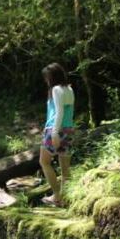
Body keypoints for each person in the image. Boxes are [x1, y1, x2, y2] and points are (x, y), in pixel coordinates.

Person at [39, 63, 75, 207]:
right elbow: (68, 113)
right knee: (65, 169)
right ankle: (66, 199)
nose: (46, 80)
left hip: (55, 130)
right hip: (68, 130)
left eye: (47, 77)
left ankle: (56, 196)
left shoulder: (56, 89)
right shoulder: (70, 89)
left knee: (44, 162)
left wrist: (53, 132)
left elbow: (59, 111)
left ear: (52, 77)